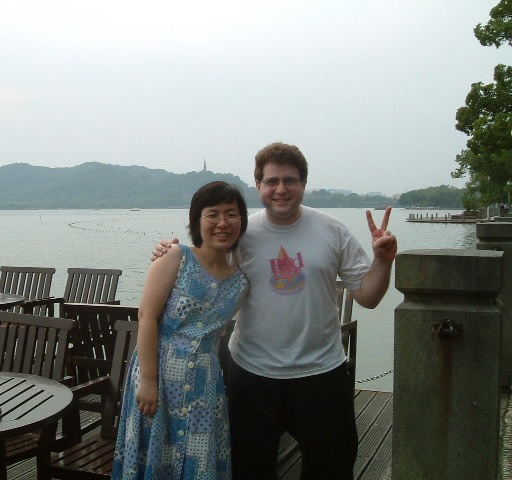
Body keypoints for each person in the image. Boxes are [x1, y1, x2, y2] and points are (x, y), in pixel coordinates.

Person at [153, 142, 397, 480]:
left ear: (304, 184)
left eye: (290, 180)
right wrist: (169, 252)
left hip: (321, 373)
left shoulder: (333, 229)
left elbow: (368, 297)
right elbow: (201, 263)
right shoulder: (240, 233)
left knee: (332, 467)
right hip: (252, 374)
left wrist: (383, 261)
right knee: (249, 469)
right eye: (271, 181)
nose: (281, 189)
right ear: (258, 185)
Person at [112, 181, 250, 480]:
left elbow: (218, 335)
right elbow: (146, 317)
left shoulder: (240, 283)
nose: (223, 223)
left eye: (231, 214)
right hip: (159, 374)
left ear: (242, 221)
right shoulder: (176, 256)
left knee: (198, 459)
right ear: (197, 220)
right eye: (213, 214)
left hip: (205, 384)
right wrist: (148, 381)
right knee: (153, 454)